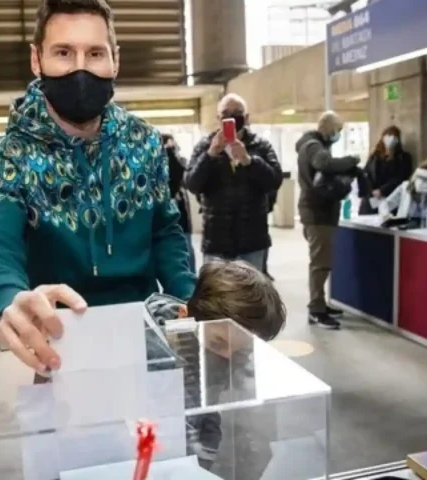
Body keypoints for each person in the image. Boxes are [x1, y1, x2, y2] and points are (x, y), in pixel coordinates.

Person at [0, 0, 196, 372]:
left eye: (95, 53)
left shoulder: (145, 141)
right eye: (63, 53)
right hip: (53, 344)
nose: (80, 69)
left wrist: (193, 300)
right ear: (36, 60)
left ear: (115, 59)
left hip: (144, 337)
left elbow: (164, 232)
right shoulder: (6, 157)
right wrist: (3, 299)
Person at [145, 260, 286, 476]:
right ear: (184, 316)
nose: (226, 357)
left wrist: (203, 465)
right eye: (218, 343)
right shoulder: (148, 355)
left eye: (241, 351)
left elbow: (208, 411)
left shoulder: (220, 348)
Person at [185, 93, 283, 273]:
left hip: (252, 239)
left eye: (237, 112)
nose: (231, 116)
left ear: (246, 117)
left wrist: (249, 161)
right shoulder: (204, 146)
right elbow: (192, 183)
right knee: (216, 297)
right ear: (218, 118)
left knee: (251, 297)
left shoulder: (261, 145)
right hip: (216, 240)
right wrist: (210, 155)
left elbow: (274, 181)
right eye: (226, 112)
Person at [296, 111, 361, 329]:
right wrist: (352, 160)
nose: (338, 135)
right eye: (338, 130)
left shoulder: (311, 144)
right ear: (329, 128)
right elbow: (325, 164)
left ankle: (320, 303)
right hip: (317, 212)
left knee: (322, 261)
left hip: (318, 211)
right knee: (320, 263)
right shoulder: (313, 146)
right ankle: (316, 309)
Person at [359, 126, 413, 215]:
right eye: (388, 136)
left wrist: (382, 190)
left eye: (393, 136)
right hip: (371, 199)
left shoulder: (403, 157)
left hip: (390, 199)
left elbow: (401, 177)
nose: (390, 139)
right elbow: (366, 174)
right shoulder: (374, 156)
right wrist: (371, 191)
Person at [162, 133, 195, 272]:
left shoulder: (181, 161)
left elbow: (181, 175)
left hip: (182, 221)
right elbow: (170, 180)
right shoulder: (155, 164)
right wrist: (167, 153)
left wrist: (171, 154)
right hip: (164, 221)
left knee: (187, 253)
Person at [378, 159, 427, 225]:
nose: (422, 182)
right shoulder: (405, 187)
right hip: (403, 228)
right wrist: (386, 216)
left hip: (426, 230)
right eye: (420, 178)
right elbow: (385, 204)